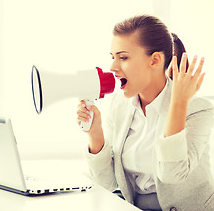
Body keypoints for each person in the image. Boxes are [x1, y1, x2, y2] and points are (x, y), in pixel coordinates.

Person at [77, 15, 214, 211]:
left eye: (123, 57)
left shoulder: (197, 108)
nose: (113, 67)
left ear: (155, 60)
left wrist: (178, 102)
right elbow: (108, 184)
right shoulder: (120, 105)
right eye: (112, 57)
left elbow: (171, 174)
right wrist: (95, 134)